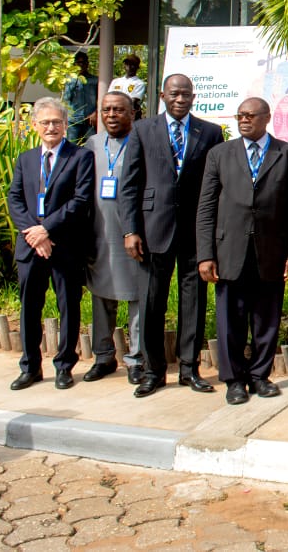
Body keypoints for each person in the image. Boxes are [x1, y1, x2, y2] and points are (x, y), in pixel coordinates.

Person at [196, 98, 288, 404]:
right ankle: (234, 380)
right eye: (240, 116)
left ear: (266, 118)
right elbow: (206, 207)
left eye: (250, 116)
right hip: (229, 251)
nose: (244, 120)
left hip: (271, 252)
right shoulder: (220, 154)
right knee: (231, 319)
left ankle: (260, 376)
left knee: (267, 318)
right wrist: (205, 254)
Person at [120, 74, 224, 398]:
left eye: (187, 94)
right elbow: (130, 184)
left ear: (194, 98)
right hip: (153, 230)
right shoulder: (142, 130)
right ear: (162, 94)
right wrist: (130, 230)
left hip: (195, 230)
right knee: (152, 302)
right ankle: (153, 372)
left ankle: (189, 369)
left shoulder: (209, 132)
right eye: (175, 93)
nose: (181, 99)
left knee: (193, 302)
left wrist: (214, 235)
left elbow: (217, 187)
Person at [6, 97, 94, 390]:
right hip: (31, 247)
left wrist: (47, 231)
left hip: (64, 246)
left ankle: (64, 366)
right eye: (45, 122)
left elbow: (80, 201)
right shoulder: (26, 159)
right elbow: (15, 198)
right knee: (29, 308)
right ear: (35, 126)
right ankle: (30, 367)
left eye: (57, 122)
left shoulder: (80, 157)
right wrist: (34, 232)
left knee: (68, 306)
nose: (51, 127)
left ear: (66, 125)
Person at [84, 92, 148, 385]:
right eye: (106, 109)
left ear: (132, 113)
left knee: (137, 297)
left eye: (118, 110)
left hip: (134, 235)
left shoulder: (143, 142)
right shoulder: (92, 144)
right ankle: (103, 356)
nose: (111, 115)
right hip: (99, 232)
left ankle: (136, 359)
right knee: (101, 297)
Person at [63, 50, 98, 143]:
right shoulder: (69, 79)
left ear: (87, 64)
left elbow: (101, 99)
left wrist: (96, 113)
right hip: (73, 120)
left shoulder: (95, 80)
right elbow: (66, 97)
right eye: (79, 62)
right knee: (71, 147)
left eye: (83, 62)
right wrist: (74, 80)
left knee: (94, 146)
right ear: (75, 64)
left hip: (90, 120)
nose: (81, 65)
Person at [108, 54, 147, 118]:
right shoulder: (115, 81)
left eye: (132, 64)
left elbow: (132, 102)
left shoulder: (139, 83)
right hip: (114, 116)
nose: (129, 67)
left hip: (129, 117)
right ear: (124, 66)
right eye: (127, 64)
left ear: (137, 67)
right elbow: (109, 98)